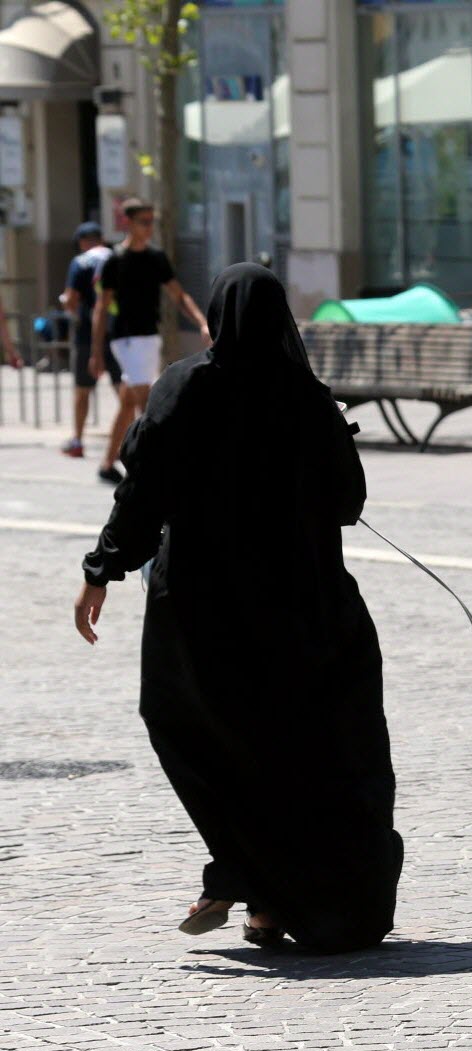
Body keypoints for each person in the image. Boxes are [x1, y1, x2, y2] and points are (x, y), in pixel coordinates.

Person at [73, 264, 403, 953]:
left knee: (192, 729)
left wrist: (102, 569)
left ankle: (240, 875)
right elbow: (349, 504)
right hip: (304, 607)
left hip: (201, 606)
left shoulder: (184, 387)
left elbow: (143, 494)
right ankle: (265, 899)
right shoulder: (305, 397)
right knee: (297, 748)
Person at [91, 198, 210, 484]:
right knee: (146, 397)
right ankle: (151, 464)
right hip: (125, 339)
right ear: (128, 223)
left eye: (151, 221)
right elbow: (101, 308)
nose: (149, 227)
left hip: (149, 336)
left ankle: (108, 462)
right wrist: (96, 352)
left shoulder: (156, 257)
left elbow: (179, 295)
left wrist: (202, 321)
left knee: (129, 400)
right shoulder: (114, 260)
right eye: (144, 221)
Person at [60, 222, 118, 458]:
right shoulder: (116, 258)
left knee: (82, 390)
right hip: (118, 332)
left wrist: (67, 305)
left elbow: (72, 299)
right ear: (101, 239)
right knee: (124, 389)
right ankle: (135, 436)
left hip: (86, 334)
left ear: (83, 242)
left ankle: (77, 440)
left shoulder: (80, 262)